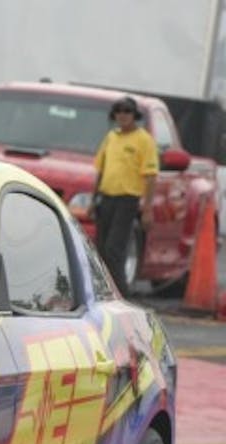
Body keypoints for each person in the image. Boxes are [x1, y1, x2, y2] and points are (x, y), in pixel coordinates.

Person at [92, 95, 158, 296]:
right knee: (100, 249)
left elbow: (150, 176)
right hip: (106, 198)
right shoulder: (111, 137)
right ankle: (103, 293)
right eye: (119, 111)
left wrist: (147, 209)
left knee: (114, 249)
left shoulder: (144, 140)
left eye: (127, 111)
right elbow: (100, 169)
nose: (123, 115)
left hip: (127, 200)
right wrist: (93, 198)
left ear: (134, 115)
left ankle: (122, 295)